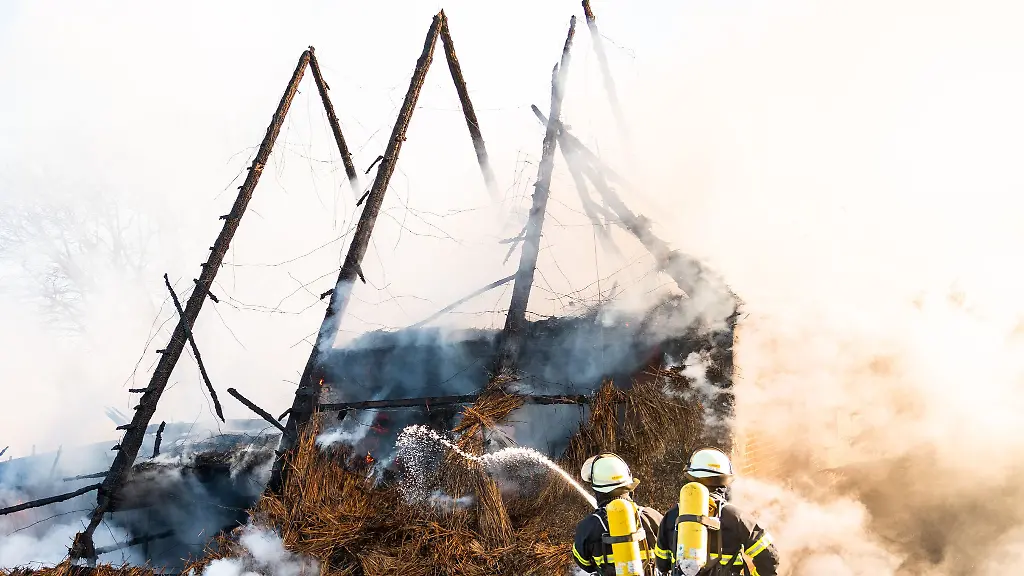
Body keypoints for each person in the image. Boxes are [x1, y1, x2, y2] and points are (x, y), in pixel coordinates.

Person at [654, 448, 779, 576]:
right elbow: (770, 557)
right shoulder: (735, 516)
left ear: (692, 477)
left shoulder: (672, 516)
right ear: (724, 479)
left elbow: (662, 564)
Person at [572, 452, 663, 575]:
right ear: (629, 486)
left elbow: (584, 564)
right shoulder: (652, 517)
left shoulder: (588, 527)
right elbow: (669, 555)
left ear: (597, 490)